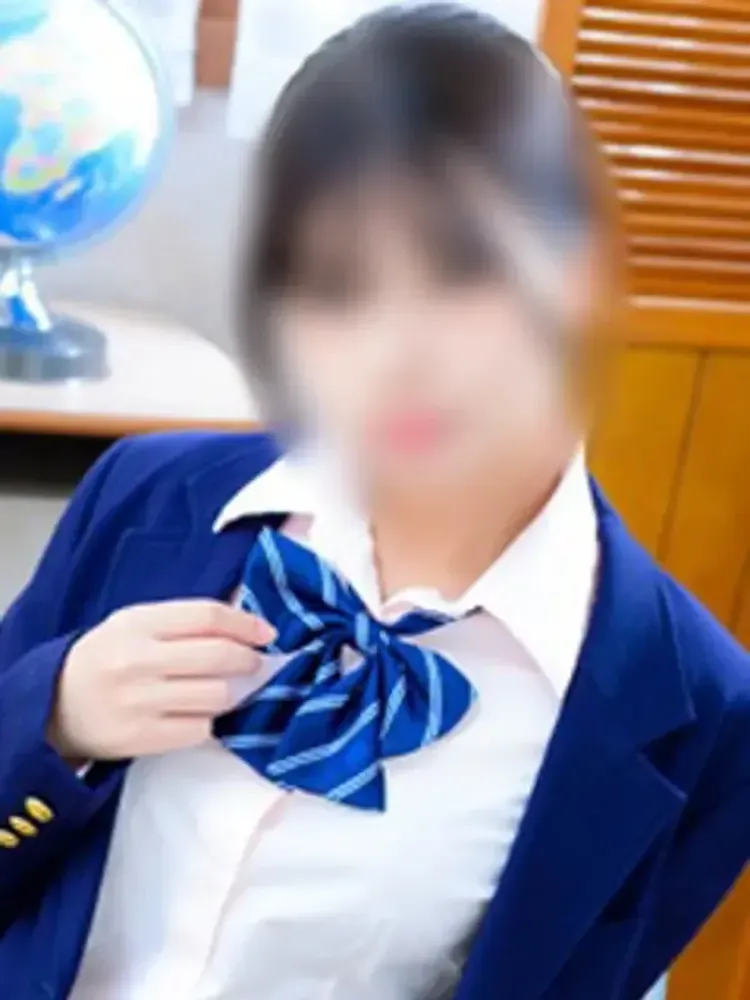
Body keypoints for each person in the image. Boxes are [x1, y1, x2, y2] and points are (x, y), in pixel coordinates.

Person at [0, 6, 748, 999]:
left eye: (462, 271)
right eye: (337, 283)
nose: (395, 349)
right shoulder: (143, 495)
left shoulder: (697, 708)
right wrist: (54, 720)